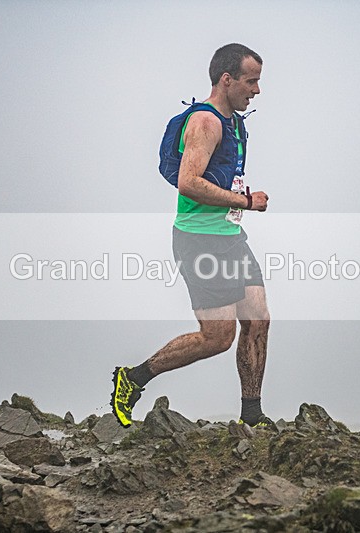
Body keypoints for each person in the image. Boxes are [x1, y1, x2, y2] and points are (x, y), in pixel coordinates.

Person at [111, 43, 272, 429]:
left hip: (230, 235)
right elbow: (188, 183)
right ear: (226, 79)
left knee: (258, 320)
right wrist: (245, 201)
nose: (257, 90)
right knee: (217, 338)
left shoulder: (234, 123)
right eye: (251, 81)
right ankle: (133, 378)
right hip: (200, 241)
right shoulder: (205, 123)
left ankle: (252, 417)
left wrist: (239, 206)